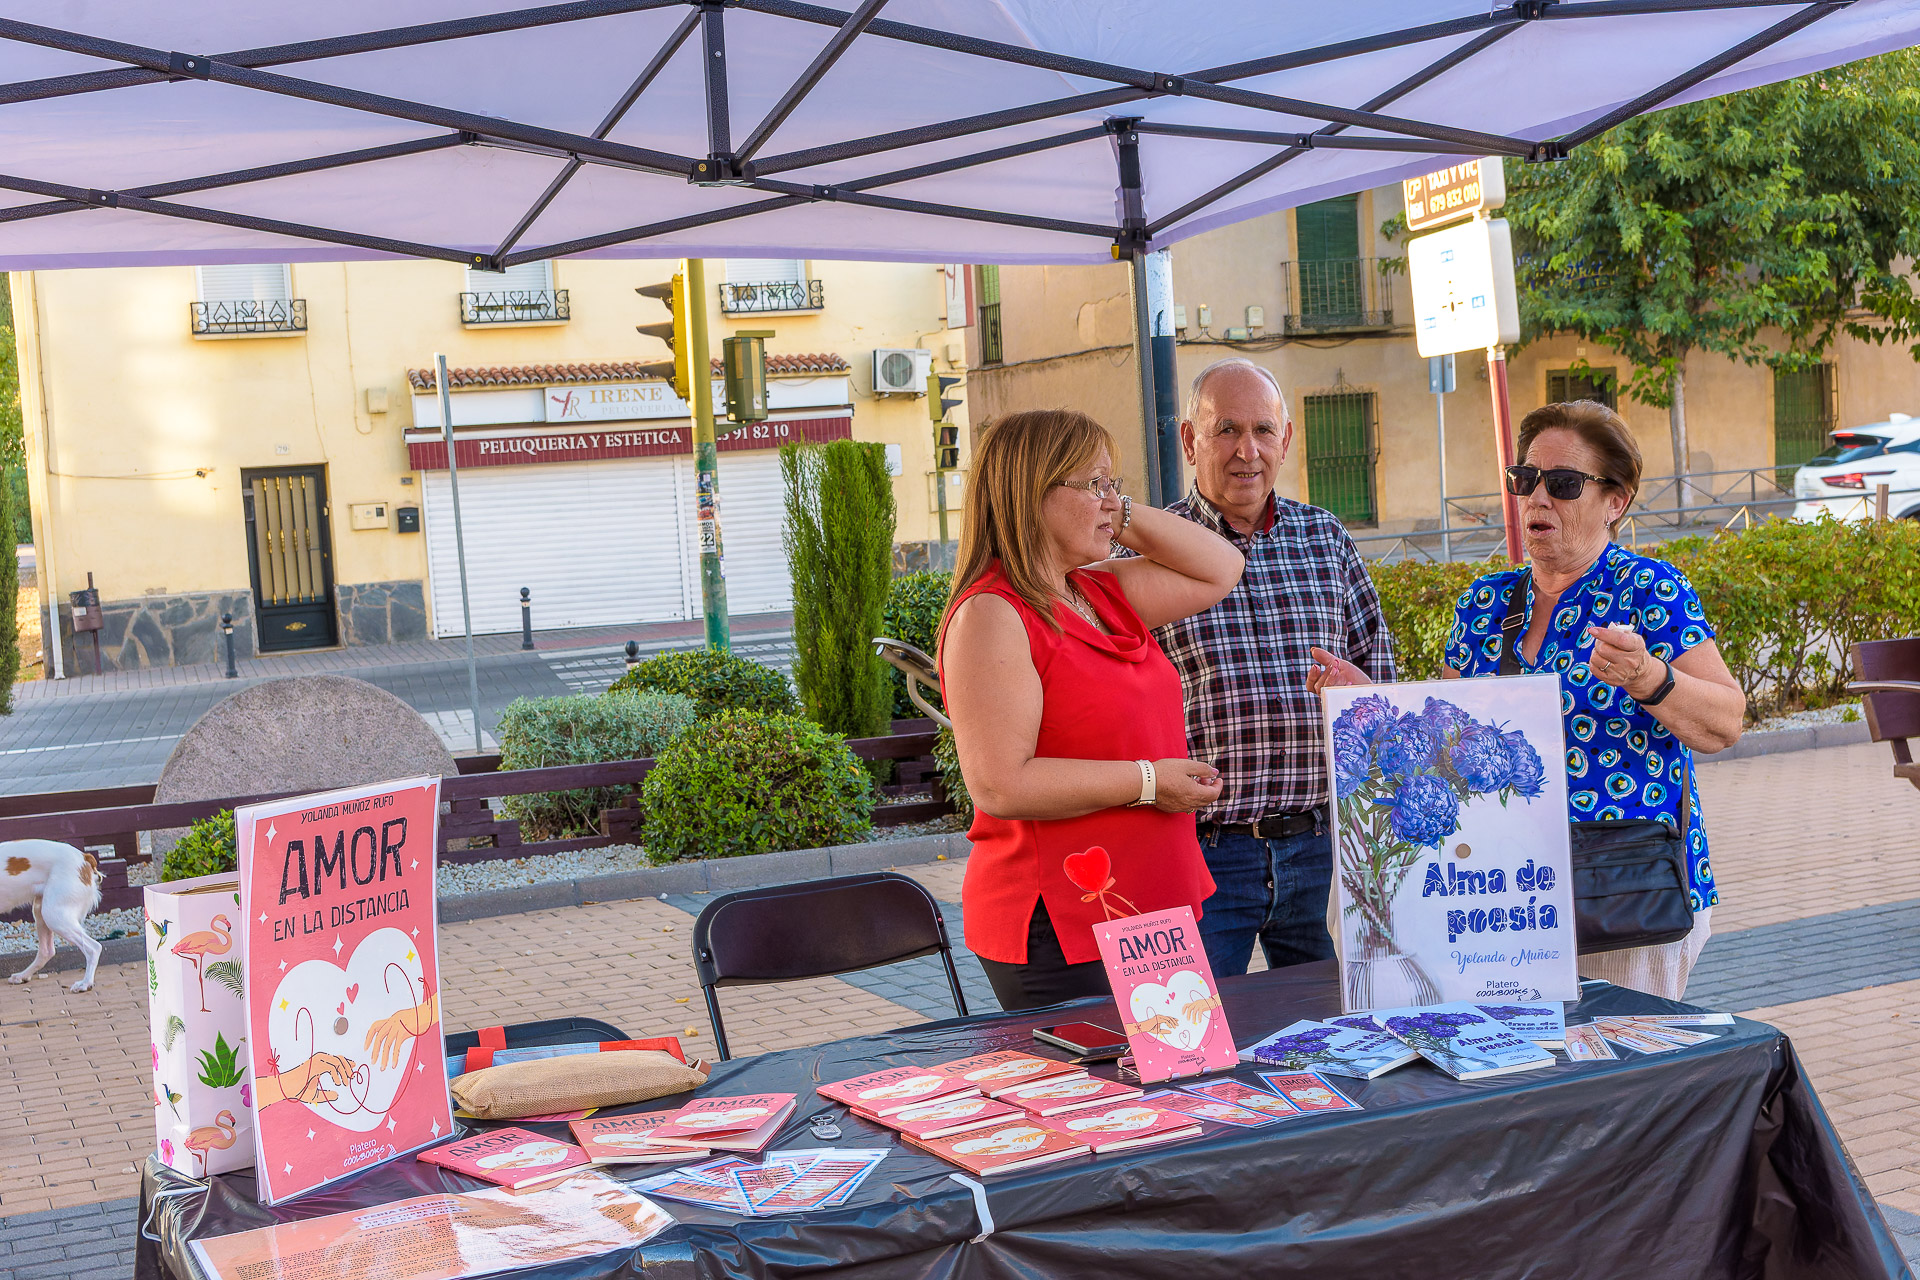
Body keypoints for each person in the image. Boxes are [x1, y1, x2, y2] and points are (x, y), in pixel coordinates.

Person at [1311, 399, 1744, 998]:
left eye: (1563, 483)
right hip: (1501, 893)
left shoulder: (1650, 589)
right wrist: (1375, 703)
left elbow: (1726, 722)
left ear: (1615, 502)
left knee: (1618, 1058)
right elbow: (1447, 743)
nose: (1538, 497)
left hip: (1622, 891)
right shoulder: (1483, 603)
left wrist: (1649, 677)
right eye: (1526, 478)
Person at [938, 408, 1245, 1011]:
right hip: (1063, 916)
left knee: (1176, 1068)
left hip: (1149, 902)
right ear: (1031, 494)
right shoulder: (992, 613)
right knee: (1103, 1076)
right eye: (1094, 484)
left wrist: (1113, 512)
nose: (1112, 501)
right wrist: (1150, 782)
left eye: (1115, 485)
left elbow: (1221, 566)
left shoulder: (1096, 591)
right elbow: (1000, 784)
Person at [1151, 358, 1396, 979]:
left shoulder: (1326, 539)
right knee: (1195, 1029)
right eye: (1226, 430)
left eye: (1263, 430)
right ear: (1190, 440)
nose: (1247, 451)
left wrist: (1362, 695)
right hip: (1202, 854)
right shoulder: (1151, 550)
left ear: (1285, 439)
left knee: (1348, 1023)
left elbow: (1382, 680)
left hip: (1324, 853)